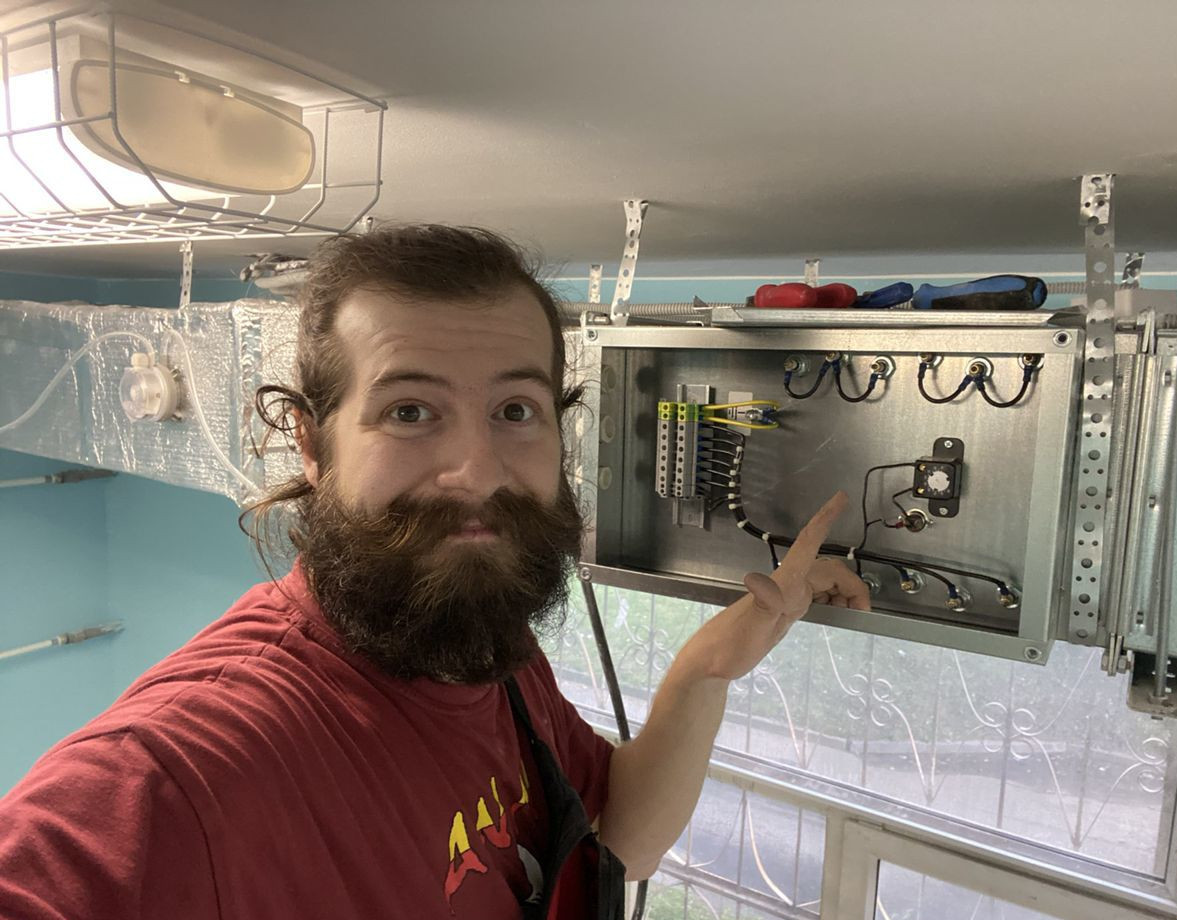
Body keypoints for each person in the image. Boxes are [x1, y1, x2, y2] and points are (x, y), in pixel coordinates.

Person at [0, 225, 869, 919]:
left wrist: (705, 669)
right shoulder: (188, 771)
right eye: (410, 411)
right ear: (312, 444)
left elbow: (618, 841)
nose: (478, 471)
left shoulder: (485, 645)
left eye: (515, 410)